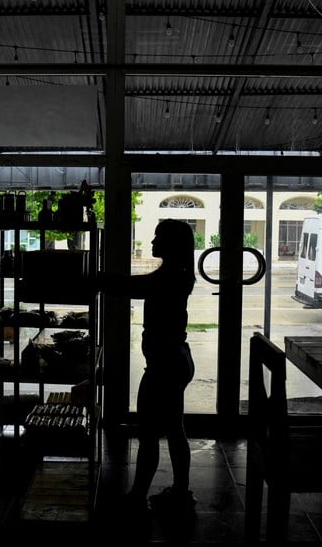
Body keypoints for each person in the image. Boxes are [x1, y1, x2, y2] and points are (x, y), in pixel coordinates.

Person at [101, 219, 197, 514]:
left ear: (171, 244)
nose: (153, 243)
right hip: (176, 359)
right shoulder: (179, 273)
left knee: (148, 434)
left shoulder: (169, 277)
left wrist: (96, 278)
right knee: (174, 428)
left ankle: (137, 496)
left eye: (158, 238)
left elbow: (133, 286)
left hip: (164, 365)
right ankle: (180, 490)